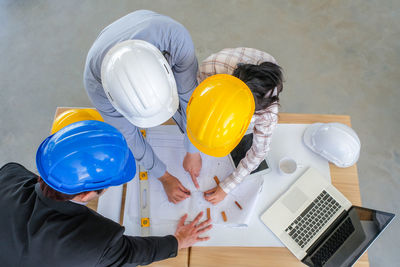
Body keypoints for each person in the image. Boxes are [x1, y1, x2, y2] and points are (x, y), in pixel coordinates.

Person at [0, 120, 211, 266]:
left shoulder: (8, 175)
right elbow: (132, 253)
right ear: (85, 196)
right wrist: (178, 241)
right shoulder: (96, 241)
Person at [84, 10, 202, 204]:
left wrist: (193, 149)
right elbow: (129, 136)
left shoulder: (175, 39)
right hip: (107, 45)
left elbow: (190, 99)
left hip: (148, 25)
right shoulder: (96, 86)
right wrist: (164, 177)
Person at [193, 47, 284, 204]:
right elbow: (199, 104)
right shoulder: (211, 69)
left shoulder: (267, 113)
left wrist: (227, 187)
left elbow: (259, 152)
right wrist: (192, 150)